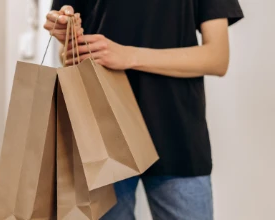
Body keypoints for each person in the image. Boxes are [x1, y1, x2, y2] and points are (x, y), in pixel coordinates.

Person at [44, 1, 242, 219]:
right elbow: (67, 55)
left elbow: (217, 58)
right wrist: (69, 35)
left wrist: (128, 56)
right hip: (102, 139)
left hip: (176, 136)